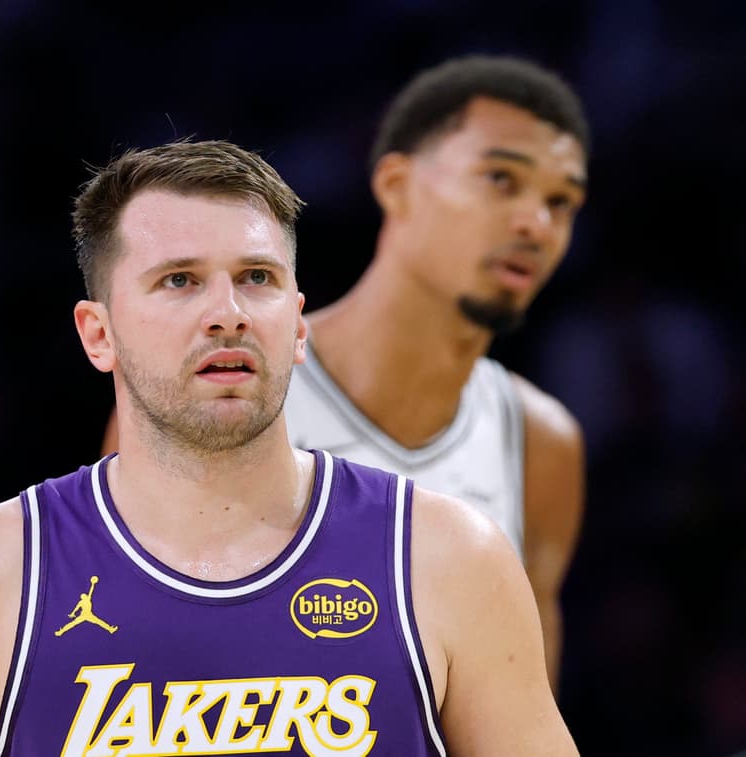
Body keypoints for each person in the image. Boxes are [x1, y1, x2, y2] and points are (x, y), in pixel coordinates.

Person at [0, 139, 577, 755]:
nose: (229, 313)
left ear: (298, 325)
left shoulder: (449, 556)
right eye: (179, 280)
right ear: (99, 334)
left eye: (257, 278)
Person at [102, 55, 590, 691]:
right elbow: (125, 659)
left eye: (562, 202)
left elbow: (523, 710)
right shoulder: (211, 387)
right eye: (501, 179)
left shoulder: (540, 441)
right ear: (396, 184)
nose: (535, 223)